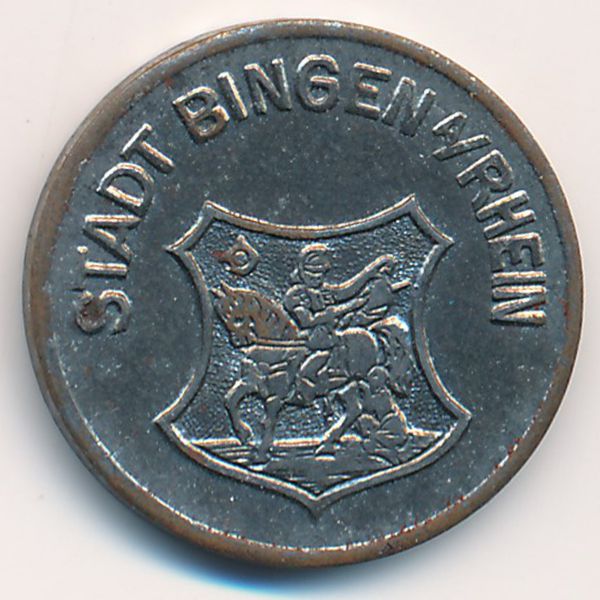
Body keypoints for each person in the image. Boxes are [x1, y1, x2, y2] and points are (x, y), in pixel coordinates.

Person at [284, 243, 395, 404]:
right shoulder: (296, 295)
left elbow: (346, 290)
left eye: (320, 273)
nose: (316, 278)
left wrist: (371, 272)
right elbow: (307, 321)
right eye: (312, 273)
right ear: (301, 271)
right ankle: (302, 396)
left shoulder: (324, 291)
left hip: (331, 340)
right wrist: (347, 307)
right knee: (306, 372)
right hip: (314, 342)